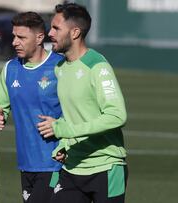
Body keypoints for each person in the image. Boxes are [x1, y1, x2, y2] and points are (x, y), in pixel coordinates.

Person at [37, 2, 128, 203]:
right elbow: (73, 116)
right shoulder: (60, 68)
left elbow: (117, 115)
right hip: (72, 167)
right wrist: (64, 144)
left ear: (75, 32)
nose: (49, 33)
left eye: (56, 28)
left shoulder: (97, 66)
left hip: (106, 167)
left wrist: (65, 131)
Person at [0, 12, 64, 203]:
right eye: (14, 36)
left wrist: (60, 124)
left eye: (21, 37)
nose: (14, 42)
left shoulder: (60, 67)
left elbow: (79, 110)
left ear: (40, 38)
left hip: (55, 164)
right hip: (26, 163)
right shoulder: (10, 68)